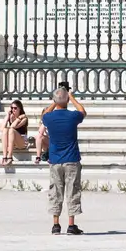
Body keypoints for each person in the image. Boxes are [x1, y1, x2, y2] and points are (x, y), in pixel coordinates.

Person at [41, 84, 85, 236]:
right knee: (72, 190)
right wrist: (70, 97)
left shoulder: (49, 118)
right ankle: (71, 224)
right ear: (66, 100)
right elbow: (82, 111)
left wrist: (56, 100)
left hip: (55, 159)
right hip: (71, 158)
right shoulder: (73, 116)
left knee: (56, 191)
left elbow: (45, 113)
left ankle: (56, 224)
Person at [0, 99, 31, 170]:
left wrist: (18, 119)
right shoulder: (10, 116)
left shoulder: (24, 118)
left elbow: (12, 126)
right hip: (13, 144)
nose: (13, 110)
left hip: (22, 143)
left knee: (11, 130)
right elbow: (1, 129)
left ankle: (10, 156)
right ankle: (5, 156)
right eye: (12, 108)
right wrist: (7, 116)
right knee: (5, 130)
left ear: (20, 108)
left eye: (15, 108)